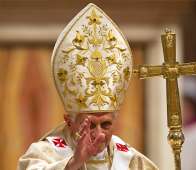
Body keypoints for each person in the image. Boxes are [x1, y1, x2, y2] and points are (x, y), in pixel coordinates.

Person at [17, 3, 158, 170]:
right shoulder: (45, 153)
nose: (99, 134)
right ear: (69, 121)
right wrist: (74, 162)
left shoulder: (131, 160)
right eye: (90, 125)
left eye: (105, 125)